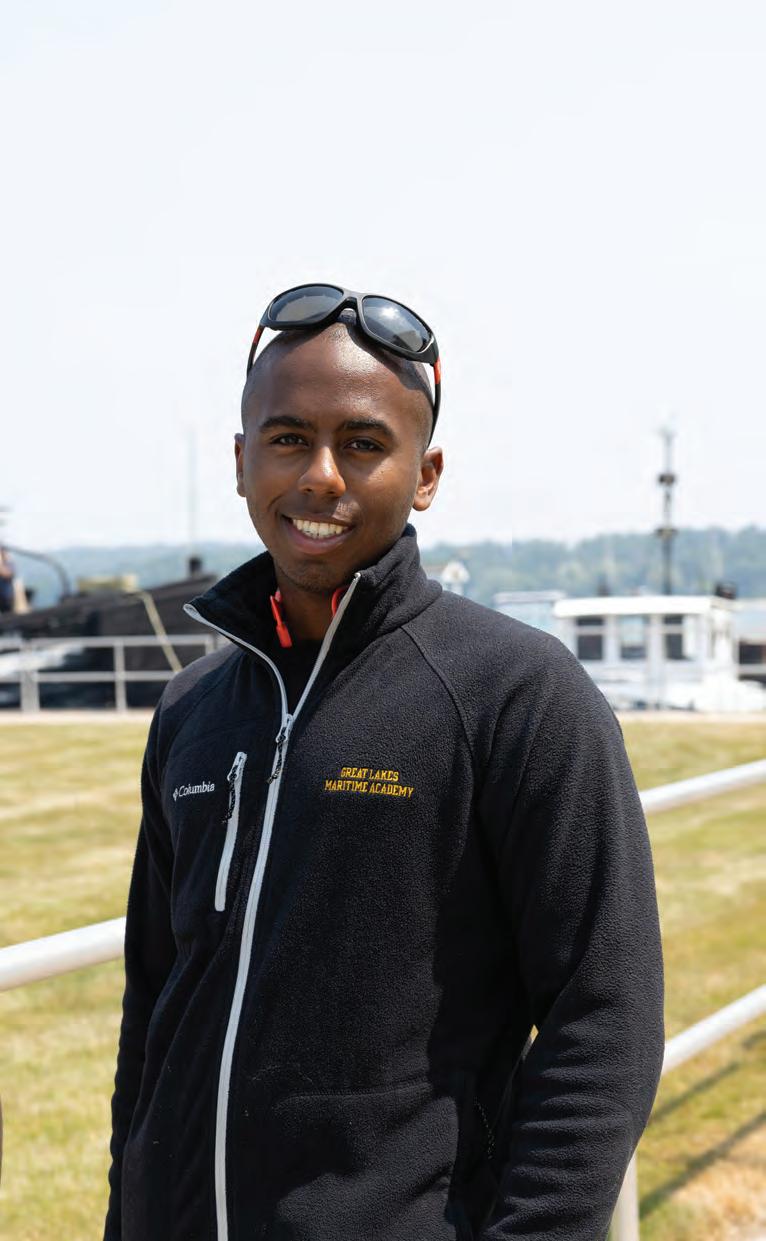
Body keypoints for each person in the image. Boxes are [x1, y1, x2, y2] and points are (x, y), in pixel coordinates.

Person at [104, 284, 664, 1241]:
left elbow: (604, 1017)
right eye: (288, 439)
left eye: (363, 444)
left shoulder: (518, 695)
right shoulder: (192, 710)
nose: (321, 476)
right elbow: (153, 1005)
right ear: (241, 462)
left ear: (426, 473)